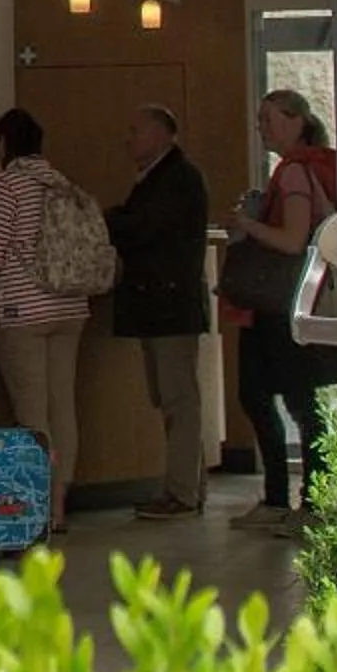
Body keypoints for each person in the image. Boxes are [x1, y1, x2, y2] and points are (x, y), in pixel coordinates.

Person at [0, 107, 91, 533]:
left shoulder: (6, 185)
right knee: (62, 407)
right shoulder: (64, 183)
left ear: (2, 143)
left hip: (22, 310)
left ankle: (41, 507)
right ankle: (61, 501)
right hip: (70, 307)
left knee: (33, 414)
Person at [226, 89, 337, 533]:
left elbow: (294, 240)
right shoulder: (314, 166)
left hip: (282, 302)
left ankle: (297, 499)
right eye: (259, 119)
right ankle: (294, 498)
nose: (262, 127)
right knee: (281, 396)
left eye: (269, 118)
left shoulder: (295, 172)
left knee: (286, 398)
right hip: (291, 301)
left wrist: (248, 225)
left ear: (297, 121)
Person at [104, 103, 210, 520]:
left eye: (136, 130)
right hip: (163, 305)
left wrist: (105, 217)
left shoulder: (177, 179)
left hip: (169, 306)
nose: (128, 139)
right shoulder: (161, 178)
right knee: (172, 399)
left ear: (163, 135)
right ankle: (186, 487)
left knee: (178, 400)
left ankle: (182, 493)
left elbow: (142, 227)